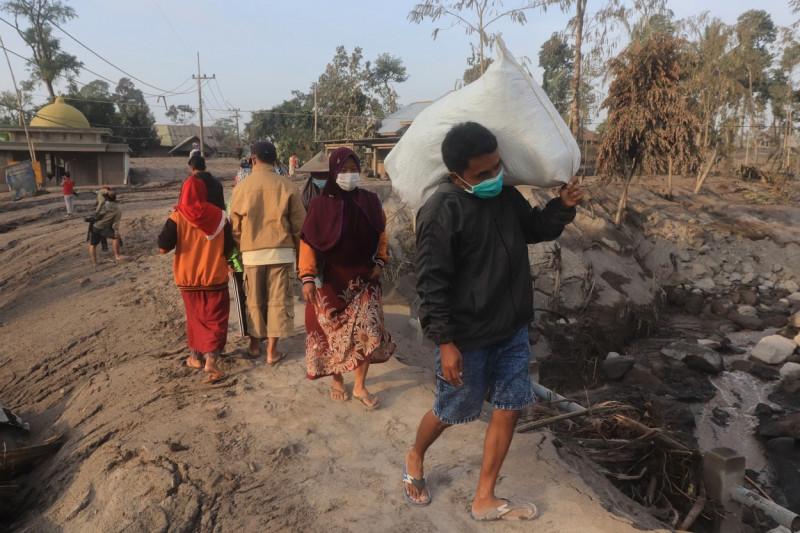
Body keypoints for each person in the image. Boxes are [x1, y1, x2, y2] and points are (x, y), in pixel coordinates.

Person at [403, 122, 583, 519]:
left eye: (497, 168)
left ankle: (484, 497)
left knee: (510, 407)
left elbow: (533, 229)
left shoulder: (505, 195)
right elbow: (431, 284)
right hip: (467, 336)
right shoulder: (440, 211)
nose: (493, 178)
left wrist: (562, 207)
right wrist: (445, 342)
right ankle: (415, 456)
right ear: (456, 176)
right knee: (451, 410)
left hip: (512, 327)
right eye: (482, 175)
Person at [298, 147, 395, 408]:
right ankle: (338, 379)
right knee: (330, 333)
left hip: (365, 278)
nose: (350, 175)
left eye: (354, 170)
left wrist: (380, 262)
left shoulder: (371, 201)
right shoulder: (320, 204)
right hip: (331, 281)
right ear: (334, 172)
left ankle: (361, 385)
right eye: (344, 170)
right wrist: (307, 277)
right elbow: (308, 242)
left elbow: (381, 235)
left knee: (366, 332)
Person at [229, 141, 306, 363]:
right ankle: (272, 350)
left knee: (254, 301)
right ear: (275, 160)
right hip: (282, 253)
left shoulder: (241, 189)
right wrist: (301, 259)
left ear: (253, 160)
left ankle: (254, 345)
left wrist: (238, 256)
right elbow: (300, 227)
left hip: (251, 254)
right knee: (278, 302)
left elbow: (235, 229)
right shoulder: (288, 187)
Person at [158, 175, 232, 384]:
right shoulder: (220, 217)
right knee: (215, 320)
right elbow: (228, 249)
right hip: (215, 278)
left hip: (187, 279)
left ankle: (196, 358)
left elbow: (163, 247)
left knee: (195, 319)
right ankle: (211, 359)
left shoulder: (177, 218)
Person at [89, 190, 125, 266]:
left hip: (95, 226)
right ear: (115, 198)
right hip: (104, 228)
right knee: (116, 237)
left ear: (106, 197)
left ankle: (95, 262)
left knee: (93, 245)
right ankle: (117, 255)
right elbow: (116, 222)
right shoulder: (118, 208)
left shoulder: (102, 203)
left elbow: (100, 192)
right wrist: (116, 231)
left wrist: (107, 191)